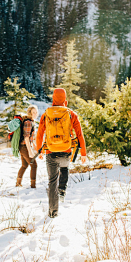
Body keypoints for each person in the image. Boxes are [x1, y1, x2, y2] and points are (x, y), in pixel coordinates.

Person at [36, 88, 86, 218]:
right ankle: (62, 190)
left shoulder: (46, 114)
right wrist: (84, 153)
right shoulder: (71, 113)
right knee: (64, 168)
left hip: (50, 152)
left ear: (53, 99)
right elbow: (79, 134)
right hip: (66, 151)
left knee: (52, 181)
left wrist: (39, 150)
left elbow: (40, 133)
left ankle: (53, 212)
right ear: (65, 100)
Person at [16, 105, 39, 188]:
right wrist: (30, 151)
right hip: (24, 147)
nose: (35, 114)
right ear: (30, 113)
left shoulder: (31, 121)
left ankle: (18, 183)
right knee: (34, 165)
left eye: (36, 112)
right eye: (33, 112)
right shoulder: (28, 122)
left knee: (24, 165)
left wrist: (35, 146)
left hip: (23, 146)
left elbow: (30, 138)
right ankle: (33, 186)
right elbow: (26, 137)